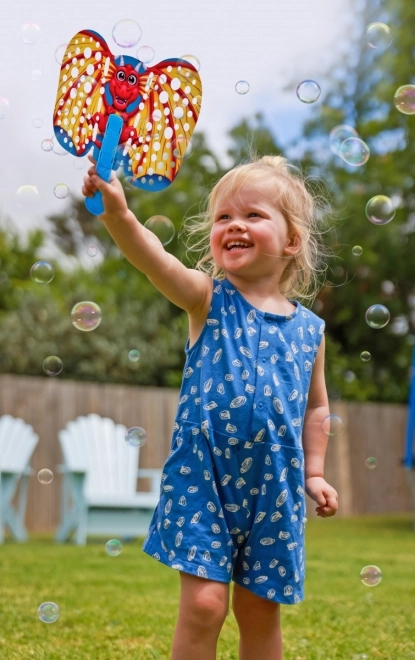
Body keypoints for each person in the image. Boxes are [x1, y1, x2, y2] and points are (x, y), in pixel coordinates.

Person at [82, 154, 338, 660]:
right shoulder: (207, 298)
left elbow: (317, 409)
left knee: (261, 611)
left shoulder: (310, 330)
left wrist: (316, 472)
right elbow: (157, 260)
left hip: (275, 487)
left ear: (291, 241)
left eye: (253, 215)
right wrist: (119, 217)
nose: (234, 224)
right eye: (223, 217)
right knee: (204, 606)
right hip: (204, 478)